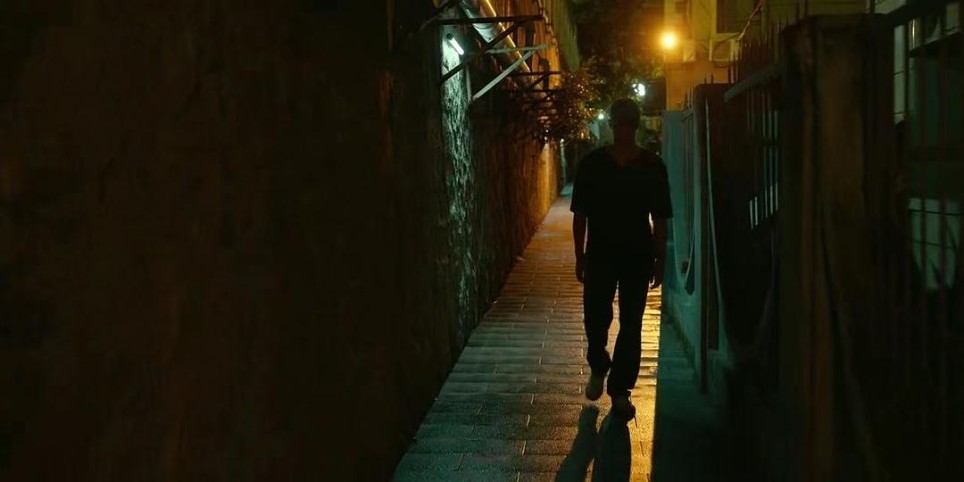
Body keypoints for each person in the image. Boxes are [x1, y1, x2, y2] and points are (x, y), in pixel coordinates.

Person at [570, 98, 673, 420]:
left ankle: (620, 390)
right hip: (602, 252)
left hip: (636, 255)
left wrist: (659, 259)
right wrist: (580, 256)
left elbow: (660, 219)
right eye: (620, 124)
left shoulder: (652, 166)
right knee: (596, 317)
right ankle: (599, 364)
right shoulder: (593, 164)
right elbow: (580, 214)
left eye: (627, 124)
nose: (623, 130)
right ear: (613, 125)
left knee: (631, 323)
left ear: (633, 126)